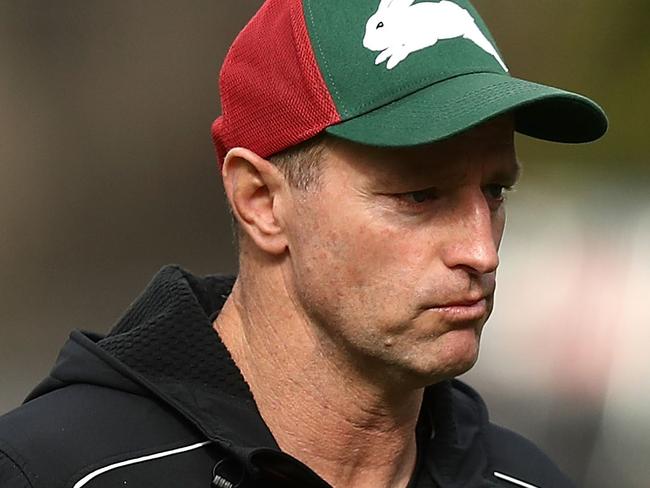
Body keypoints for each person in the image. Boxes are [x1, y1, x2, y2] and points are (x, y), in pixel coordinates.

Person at [0, 0, 607, 487]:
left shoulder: (528, 479)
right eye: (420, 196)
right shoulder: (54, 470)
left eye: (496, 191)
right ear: (261, 203)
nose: (482, 250)